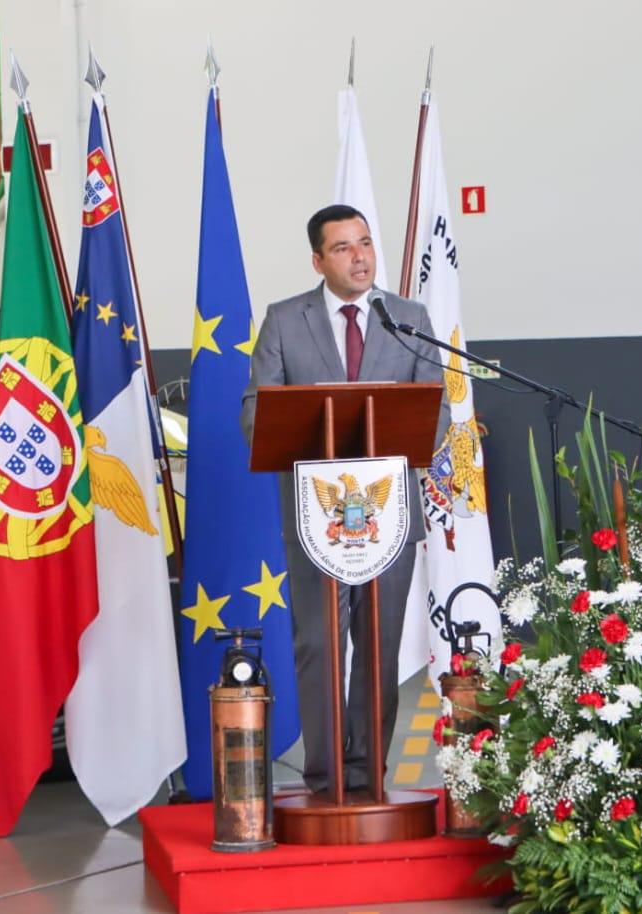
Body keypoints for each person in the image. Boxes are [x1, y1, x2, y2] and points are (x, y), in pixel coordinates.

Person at [240, 203, 450, 793]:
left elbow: (437, 413)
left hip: (391, 513)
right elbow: (256, 412)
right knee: (318, 644)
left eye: (365, 244)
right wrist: (316, 443)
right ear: (317, 259)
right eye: (342, 248)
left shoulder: (406, 316)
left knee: (378, 645)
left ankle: (368, 776)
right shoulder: (285, 319)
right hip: (316, 515)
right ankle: (325, 773)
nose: (359, 257)